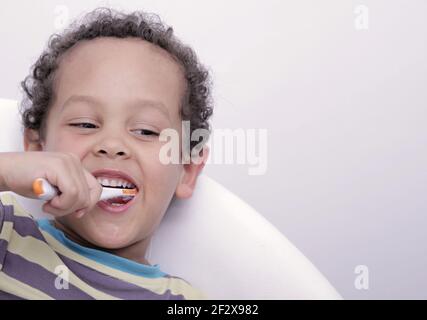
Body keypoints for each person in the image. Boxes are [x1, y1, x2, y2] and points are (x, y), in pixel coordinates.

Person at [0, 7, 212, 300]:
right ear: (37, 148)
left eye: (146, 130)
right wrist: (5, 170)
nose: (112, 144)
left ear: (186, 170)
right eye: (85, 124)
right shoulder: (7, 232)